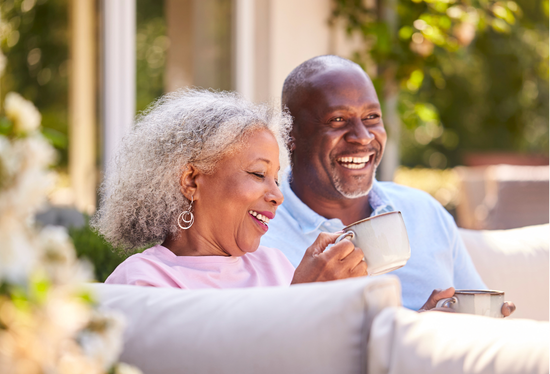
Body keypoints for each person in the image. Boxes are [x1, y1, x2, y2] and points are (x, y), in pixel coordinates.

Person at [260, 55, 515, 315]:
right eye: (338, 119)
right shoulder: (259, 233)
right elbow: (251, 350)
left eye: (371, 117)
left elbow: (480, 316)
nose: (363, 136)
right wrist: (303, 299)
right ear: (290, 134)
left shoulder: (423, 212)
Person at [92, 89, 368, 289]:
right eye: (258, 173)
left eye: (275, 178)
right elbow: (212, 368)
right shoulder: (143, 280)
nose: (278, 196)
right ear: (191, 181)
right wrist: (304, 297)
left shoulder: (274, 265)